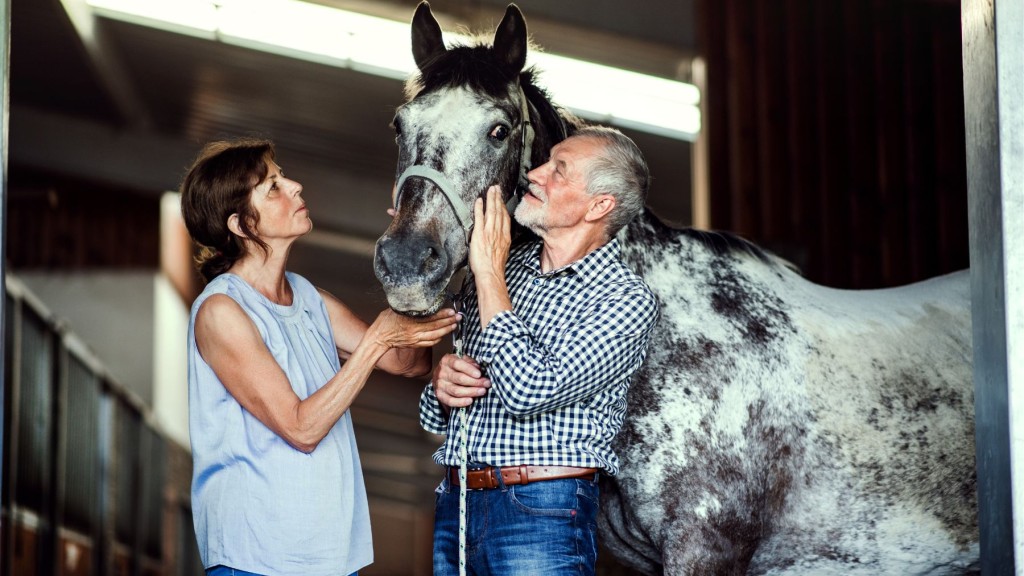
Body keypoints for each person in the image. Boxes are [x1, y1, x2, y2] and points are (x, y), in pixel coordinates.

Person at [180, 138, 459, 576]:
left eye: (283, 177)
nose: (294, 186)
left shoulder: (309, 298)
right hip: (257, 559)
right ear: (241, 224)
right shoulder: (222, 311)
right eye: (273, 187)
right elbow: (301, 428)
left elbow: (409, 363)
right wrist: (374, 342)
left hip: (330, 556)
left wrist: (415, 253)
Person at [420, 125, 660, 575]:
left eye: (559, 170)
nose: (534, 174)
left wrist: (488, 273)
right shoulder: (503, 268)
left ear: (599, 206)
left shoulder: (625, 299)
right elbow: (436, 417)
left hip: (541, 508)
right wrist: (442, 386)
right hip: (458, 500)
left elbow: (528, 390)